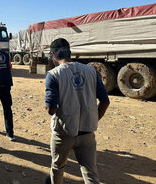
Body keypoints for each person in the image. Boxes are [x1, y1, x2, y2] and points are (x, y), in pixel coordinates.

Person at [45, 38, 110, 184]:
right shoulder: (91, 71)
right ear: (70, 52)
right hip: (87, 133)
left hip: (64, 133)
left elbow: (51, 109)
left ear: (53, 55)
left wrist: (48, 105)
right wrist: (93, 119)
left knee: (57, 167)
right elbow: (105, 101)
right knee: (90, 173)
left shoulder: (53, 75)